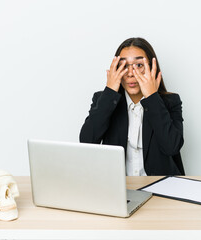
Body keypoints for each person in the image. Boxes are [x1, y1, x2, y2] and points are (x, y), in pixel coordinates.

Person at [79, 37, 185, 176]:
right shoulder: (103, 99)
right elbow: (87, 141)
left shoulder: (170, 101)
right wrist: (110, 91)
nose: (130, 73)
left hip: (160, 186)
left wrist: (152, 97)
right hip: (117, 186)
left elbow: (172, 147)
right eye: (123, 66)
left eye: (139, 65)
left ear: (152, 68)